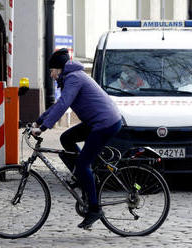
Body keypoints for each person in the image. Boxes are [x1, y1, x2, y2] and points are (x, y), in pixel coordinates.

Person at [31, 48, 122, 229]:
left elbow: (64, 104)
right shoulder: (71, 77)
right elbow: (59, 104)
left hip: (105, 123)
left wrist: (43, 128)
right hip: (96, 121)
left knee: (82, 164)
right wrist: (39, 120)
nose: (51, 75)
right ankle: (83, 176)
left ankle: (94, 209)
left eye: (51, 71)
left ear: (59, 68)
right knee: (66, 138)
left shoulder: (74, 78)